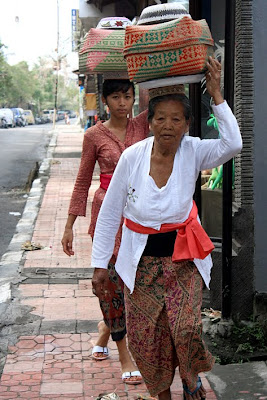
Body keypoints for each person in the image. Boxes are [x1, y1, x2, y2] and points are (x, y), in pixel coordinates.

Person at [90, 57, 242, 400]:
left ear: (187, 124)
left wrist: (216, 95)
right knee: (146, 340)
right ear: (150, 123)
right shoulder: (132, 156)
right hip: (140, 266)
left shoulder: (195, 151)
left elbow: (232, 145)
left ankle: (191, 382)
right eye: (160, 118)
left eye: (176, 119)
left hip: (182, 261)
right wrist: (100, 265)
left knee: (186, 329)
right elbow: (111, 212)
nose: (168, 125)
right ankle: (162, 394)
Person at [61, 79, 149, 384]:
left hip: (140, 210)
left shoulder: (144, 125)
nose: (123, 103)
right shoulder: (94, 135)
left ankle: (104, 329)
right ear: (104, 101)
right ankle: (124, 353)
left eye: (127, 96)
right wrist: (69, 226)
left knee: (134, 280)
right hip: (107, 214)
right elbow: (83, 181)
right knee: (110, 282)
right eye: (116, 97)